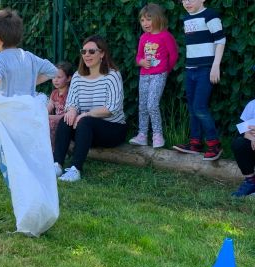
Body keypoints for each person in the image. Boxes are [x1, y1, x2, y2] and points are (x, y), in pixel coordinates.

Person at [0, 8, 59, 237]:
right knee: (34, 162)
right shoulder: (29, 57)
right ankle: (41, 209)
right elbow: (54, 71)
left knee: (16, 166)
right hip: (31, 116)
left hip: (9, 118)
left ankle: (27, 215)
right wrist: (32, 81)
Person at [52, 35, 127, 182]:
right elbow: (72, 102)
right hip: (85, 130)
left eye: (92, 51)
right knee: (65, 120)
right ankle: (57, 165)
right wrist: (72, 110)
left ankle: (75, 169)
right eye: (84, 51)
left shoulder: (112, 75)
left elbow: (112, 108)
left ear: (102, 54)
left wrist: (86, 114)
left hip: (113, 129)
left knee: (85, 121)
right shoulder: (77, 77)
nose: (87, 55)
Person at [172, 0, 226, 160]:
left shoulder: (210, 15)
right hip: (190, 69)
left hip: (206, 69)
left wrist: (215, 65)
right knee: (192, 107)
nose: (187, 2)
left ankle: (214, 144)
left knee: (200, 107)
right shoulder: (186, 18)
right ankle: (195, 143)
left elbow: (220, 40)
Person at [129, 3, 178, 148]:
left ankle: (158, 135)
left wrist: (165, 70)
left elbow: (173, 55)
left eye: (148, 19)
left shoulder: (166, 36)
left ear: (158, 18)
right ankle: (142, 135)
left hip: (159, 75)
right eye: (142, 20)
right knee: (142, 106)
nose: (145, 23)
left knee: (152, 105)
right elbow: (138, 57)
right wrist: (142, 62)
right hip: (144, 76)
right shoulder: (144, 38)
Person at [47, 61, 73, 153]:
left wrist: (49, 117)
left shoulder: (70, 94)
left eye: (59, 77)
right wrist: (42, 114)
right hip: (55, 119)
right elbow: (50, 106)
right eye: (53, 77)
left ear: (68, 78)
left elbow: (67, 115)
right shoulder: (54, 93)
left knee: (50, 121)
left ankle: (54, 151)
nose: (55, 80)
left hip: (66, 121)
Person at [231, 99, 255, 197]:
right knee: (239, 144)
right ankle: (251, 181)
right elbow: (241, 131)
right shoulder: (252, 104)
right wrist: (253, 137)